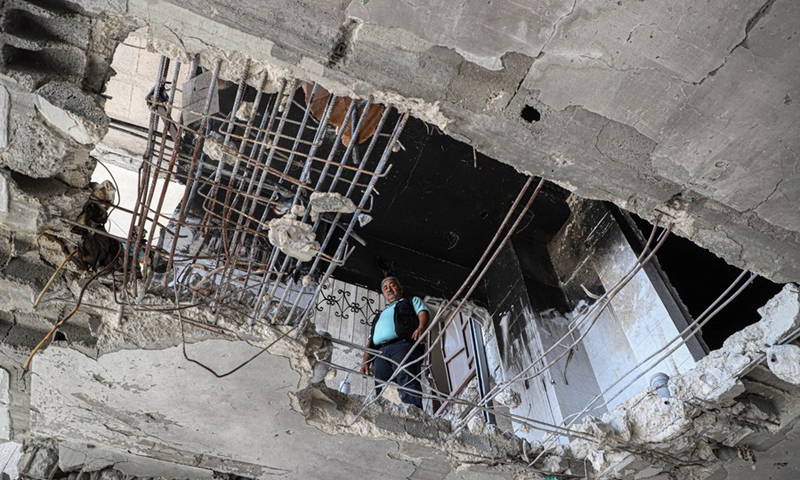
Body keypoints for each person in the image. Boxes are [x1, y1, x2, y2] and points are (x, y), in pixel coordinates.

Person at [360, 276, 430, 408]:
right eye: (385, 288)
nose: (389, 289)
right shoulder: (379, 316)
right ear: (383, 294)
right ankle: (385, 411)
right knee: (382, 383)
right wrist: (365, 361)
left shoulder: (411, 302)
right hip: (380, 352)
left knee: (406, 376)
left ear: (401, 288)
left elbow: (423, 313)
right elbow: (370, 339)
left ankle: (413, 411)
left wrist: (421, 328)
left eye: (392, 285)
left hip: (402, 345)